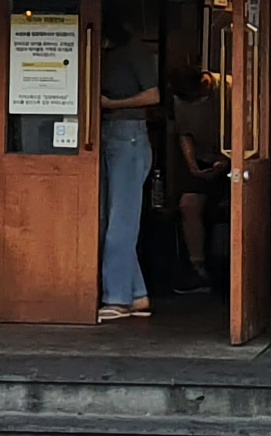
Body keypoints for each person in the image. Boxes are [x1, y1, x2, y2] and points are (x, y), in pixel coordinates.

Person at [95, 31, 161, 324]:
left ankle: (118, 298)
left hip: (128, 135)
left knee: (120, 220)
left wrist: (110, 104)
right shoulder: (113, 51)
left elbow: (153, 95)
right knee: (113, 219)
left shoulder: (134, 50)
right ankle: (136, 294)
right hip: (114, 135)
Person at [166, 63, 226, 288]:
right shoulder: (180, 99)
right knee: (188, 204)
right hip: (202, 158)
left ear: (205, 82)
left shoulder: (229, 88)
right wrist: (192, 166)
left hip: (236, 156)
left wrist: (227, 160)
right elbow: (184, 134)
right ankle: (197, 267)